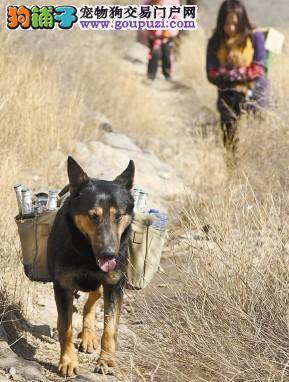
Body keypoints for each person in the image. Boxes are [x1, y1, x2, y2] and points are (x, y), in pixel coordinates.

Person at [206, 0, 269, 151]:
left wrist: (229, 74)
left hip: (255, 97)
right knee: (230, 142)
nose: (231, 28)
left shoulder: (255, 38)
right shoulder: (215, 41)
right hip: (227, 98)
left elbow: (259, 68)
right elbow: (211, 73)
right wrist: (234, 76)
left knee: (256, 143)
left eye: (234, 23)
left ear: (242, 21)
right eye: (226, 24)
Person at [145, 0, 180, 81]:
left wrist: (171, 30)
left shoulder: (173, 1)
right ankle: (150, 76)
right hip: (153, 35)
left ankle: (167, 74)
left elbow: (177, 18)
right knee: (155, 54)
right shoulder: (149, 2)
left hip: (167, 35)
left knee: (166, 54)